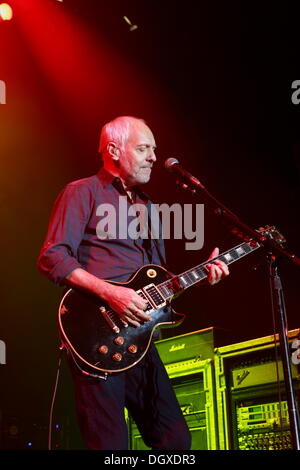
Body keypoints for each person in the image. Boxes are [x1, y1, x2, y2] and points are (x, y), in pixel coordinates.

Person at [37, 116, 229, 450]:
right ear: (113, 150)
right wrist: (111, 294)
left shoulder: (147, 206)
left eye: (154, 149)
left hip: (139, 340)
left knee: (176, 441)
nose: (154, 157)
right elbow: (52, 257)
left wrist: (203, 274)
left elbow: (157, 281)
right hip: (95, 337)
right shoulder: (82, 192)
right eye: (143, 148)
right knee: (110, 445)